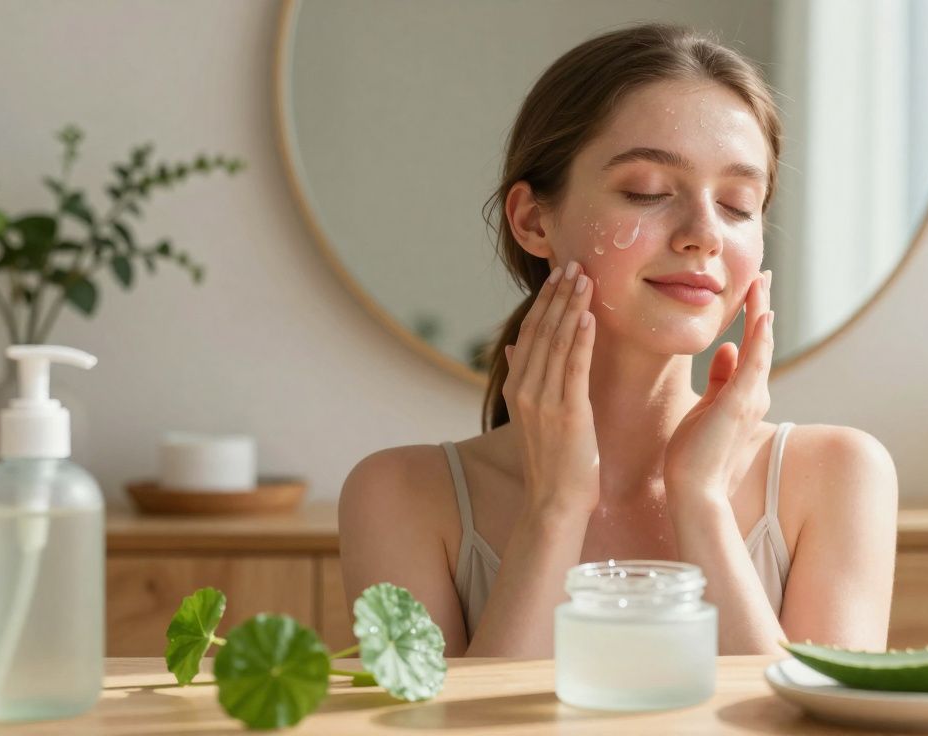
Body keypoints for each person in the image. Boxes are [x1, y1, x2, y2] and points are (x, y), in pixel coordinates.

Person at [339, 22, 898, 658]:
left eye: (738, 205)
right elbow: (463, 716)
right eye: (647, 192)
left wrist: (702, 502)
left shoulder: (838, 476)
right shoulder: (400, 495)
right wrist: (555, 508)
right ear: (533, 219)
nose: (704, 234)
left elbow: (810, 714)